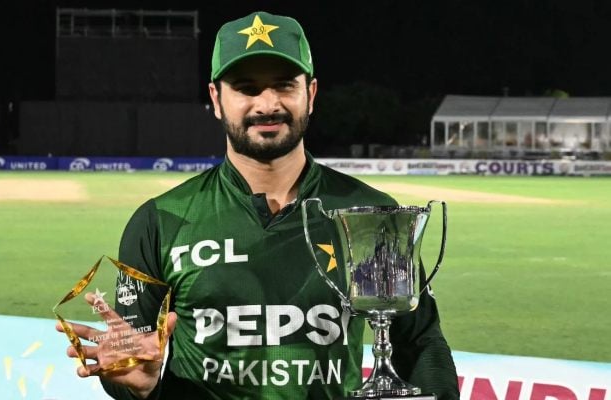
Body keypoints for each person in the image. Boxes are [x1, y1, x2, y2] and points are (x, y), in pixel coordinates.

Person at [58, 11, 459, 399]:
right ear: (216, 99)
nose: (267, 104)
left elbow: (420, 342)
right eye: (246, 88)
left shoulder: (369, 213)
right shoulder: (161, 221)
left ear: (310, 94)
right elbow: (129, 365)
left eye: (284, 85)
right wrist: (138, 384)